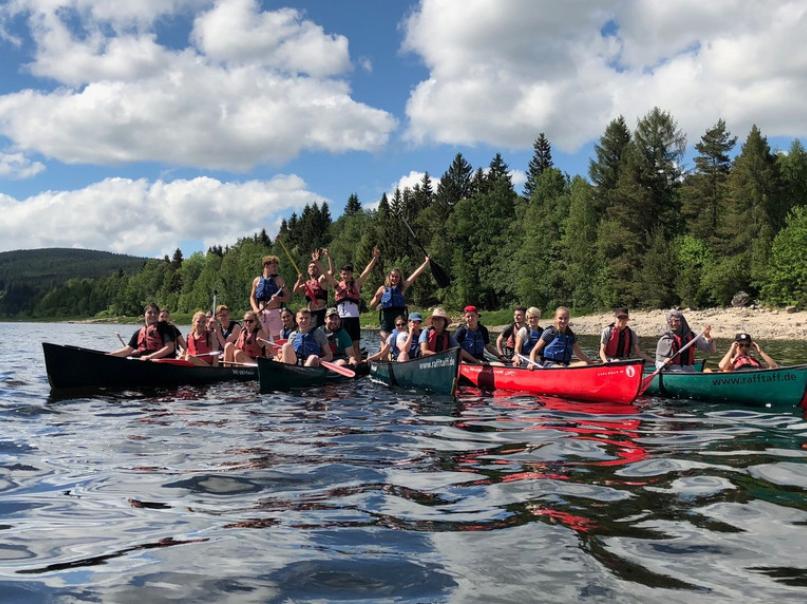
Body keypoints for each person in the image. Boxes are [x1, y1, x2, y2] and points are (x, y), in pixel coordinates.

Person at [324, 246, 379, 353]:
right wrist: (320, 262)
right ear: (340, 274)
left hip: (354, 319)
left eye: (348, 273)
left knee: (356, 345)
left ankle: (357, 364)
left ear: (351, 274)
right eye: (344, 274)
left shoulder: (356, 284)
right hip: (342, 319)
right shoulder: (337, 286)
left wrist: (375, 259)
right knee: (344, 343)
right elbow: (327, 275)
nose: (346, 276)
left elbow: (366, 272)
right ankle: (344, 361)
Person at [369, 256, 430, 342]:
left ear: (400, 278)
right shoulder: (382, 288)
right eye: (393, 276)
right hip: (386, 321)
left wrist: (426, 263)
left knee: (400, 344)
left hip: (400, 321)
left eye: (397, 277)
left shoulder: (402, 287)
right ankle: (384, 355)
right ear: (389, 277)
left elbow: (415, 275)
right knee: (384, 345)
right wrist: (376, 299)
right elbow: (371, 305)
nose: (394, 279)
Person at [110, 303, 176, 361]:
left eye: (155, 313)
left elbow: (169, 348)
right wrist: (109, 355)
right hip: (146, 362)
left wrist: (150, 357)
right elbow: (127, 350)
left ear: (158, 315)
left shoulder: (166, 328)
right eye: (149, 312)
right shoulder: (138, 333)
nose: (153, 315)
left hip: (163, 365)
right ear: (144, 314)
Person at [250, 255, 289, 340]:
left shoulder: (279, 279)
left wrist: (279, 298)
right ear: (266, 266)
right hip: (261, 314)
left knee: (277, 338)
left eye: (276, 266)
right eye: (274, 266)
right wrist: (255, 309)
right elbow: (252, 297)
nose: (276, 268)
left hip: (274, 312)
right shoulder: (257, 280)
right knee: (264, 339)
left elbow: (287, 297)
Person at [293, 249, 332, 327]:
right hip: (311, 314)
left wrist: (329, 257)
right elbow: (295, 290)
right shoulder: (306, 284)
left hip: (322, 312)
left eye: (314, 267)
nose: (312, 268)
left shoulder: (321, 279)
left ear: (318, 269)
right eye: (310, 267)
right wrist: (299, 280)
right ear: (308, 270)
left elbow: (332, 271)